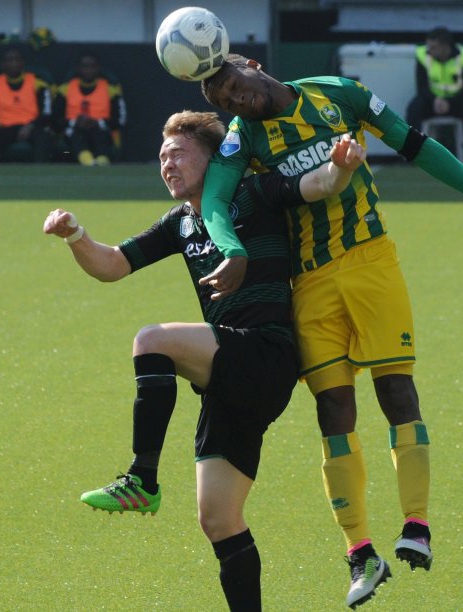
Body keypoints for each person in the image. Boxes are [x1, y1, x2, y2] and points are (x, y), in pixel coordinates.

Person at [198, 54, 463, 608]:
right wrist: (234, 250)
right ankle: (360, 551)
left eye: (233, 85)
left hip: (371, 263)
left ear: (252, 64)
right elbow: (215, 200)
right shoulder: (242, 139)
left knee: (396, 390)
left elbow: (414, 145)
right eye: (220, 100)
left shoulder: (339, 92)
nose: (234, 100)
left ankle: (417, 527)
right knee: (333, 409)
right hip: (310, 283)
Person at [43, 111, 366, 610]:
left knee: (152, 340)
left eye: (177, 154)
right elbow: (111, 266)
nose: (167, 165)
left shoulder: (253, 193)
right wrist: (74, 235)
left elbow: (321, 182)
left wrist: (342, 166)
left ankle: (142, 479)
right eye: (161, 158)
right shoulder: (181, 222)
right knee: (218, 518)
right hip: (230, 380)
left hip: (265, 351)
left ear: (214, 159)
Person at [406, 26, 463, 164]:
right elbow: (421, 87)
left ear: (445, 46)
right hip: (431, 102)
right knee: (414, 106)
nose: (429, 50)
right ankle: (410, 152)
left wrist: (449, 102)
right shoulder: (423, 55)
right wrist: (435, 99)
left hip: (457, 102)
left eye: (433, 47)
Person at [0, 47, 54, 163]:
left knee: (45, 139)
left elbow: (47, 113)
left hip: (32, 128)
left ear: (22, 63)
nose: (13, 63)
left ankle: (41, 175)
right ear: (3, 65)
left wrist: (30, 126)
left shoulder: (39, 85)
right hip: (6, 129)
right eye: (9, 60)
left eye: (17, 60)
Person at [53, 53, 127, 166]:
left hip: (102, 129)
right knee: (77, 134)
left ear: (98, 68)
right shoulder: (65, 89)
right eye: (85, 66)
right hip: (73, 130)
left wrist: (97, 122)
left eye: (92, 66)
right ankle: (87, 162)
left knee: (99, 134)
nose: (88, 70)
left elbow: (120, 120)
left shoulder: (111, 90)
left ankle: (102, 162)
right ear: (78, 69)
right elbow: (55, 119)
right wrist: (74, 122)